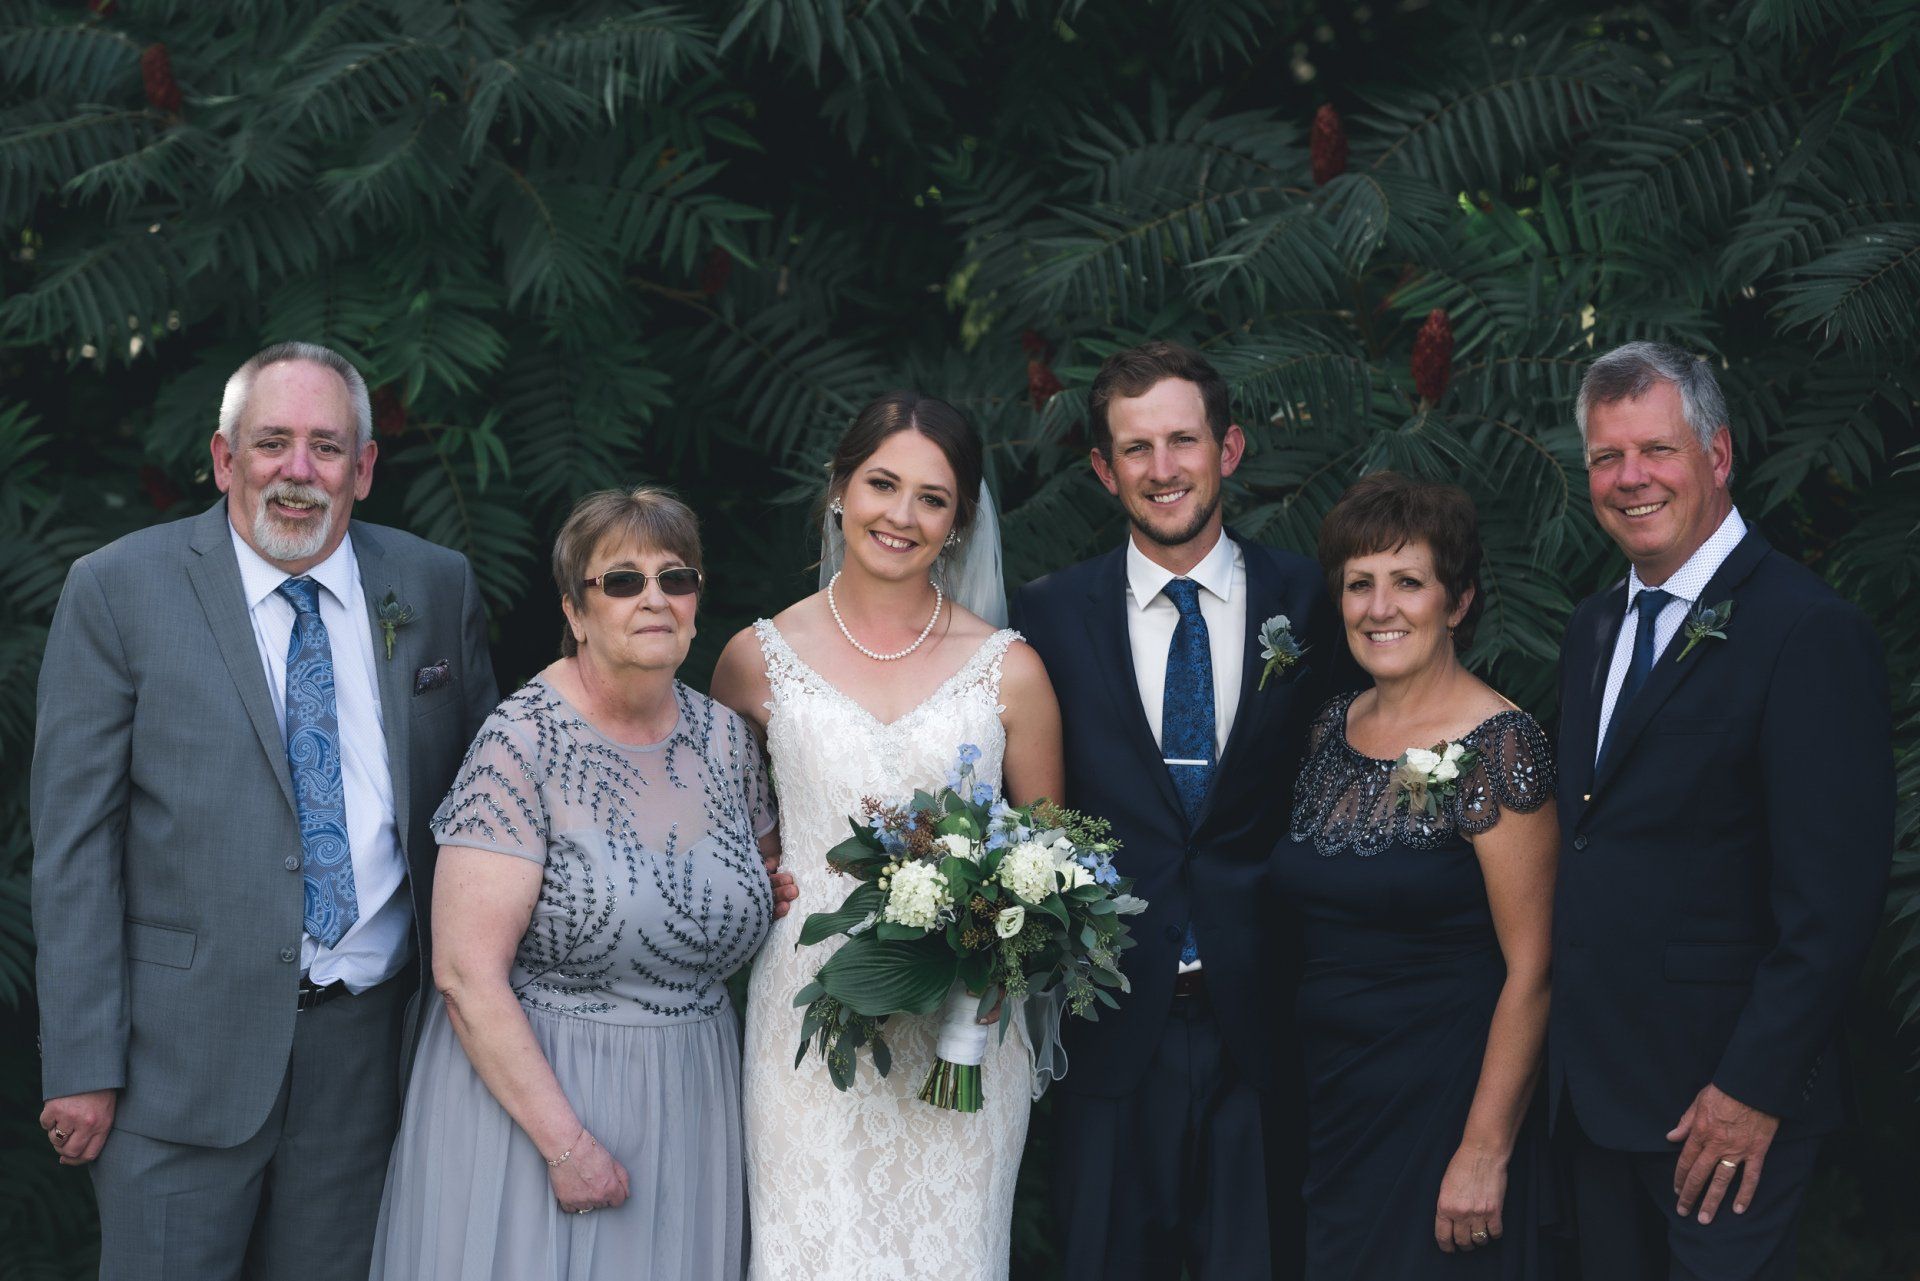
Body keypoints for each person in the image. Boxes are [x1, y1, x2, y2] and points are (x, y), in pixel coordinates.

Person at [30, 342, 498, 1280]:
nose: (298, 471)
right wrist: (83, 1059)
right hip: (175, 1060)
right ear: (222, 459)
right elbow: (76, 845)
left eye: (326, 447)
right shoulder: (119, 591)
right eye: (272, 442)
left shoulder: (432, 585)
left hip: (368, 1057)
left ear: (363, 468)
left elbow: (489, 810)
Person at [368, 486, 796, 1280]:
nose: (655, 599)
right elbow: (465, 974)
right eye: (623, 581)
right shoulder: (521, 741)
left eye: (677, 578)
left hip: (693, 1098)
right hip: (538, 1110)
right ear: (575, 610)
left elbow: (768, 886)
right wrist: (566, 1145)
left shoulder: (727, 741)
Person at [1551, 341, 1893, 1279]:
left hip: (1723, 1115)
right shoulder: (1591, 629)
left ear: (1717, 455)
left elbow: (1832, 902)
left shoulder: (1806, 631)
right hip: (1594, 1101)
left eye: (1655, 450)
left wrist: (1751, 1087)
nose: (1630, 480)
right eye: (1606, 459)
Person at [1010, 341, 1347, 1281]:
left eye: (1183, 441)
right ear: (1102, 467)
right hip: (1110, 1026)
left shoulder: (1314, 604)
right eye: (1137, 447)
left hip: (1268, 1021)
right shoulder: (1044, 616)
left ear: (1229, 448)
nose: (1164, 469)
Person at [712, 391, 1063, 1281]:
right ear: (839, 489)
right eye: (881, 484)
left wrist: (990, 928)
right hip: (806, 1021)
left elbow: (1052, 864)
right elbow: (720, 837)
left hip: (960, 1032)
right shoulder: (756, 658)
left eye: (932, 498)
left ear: (960, 522)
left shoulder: (1010, 669)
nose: (901, 516)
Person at [1275, 471, 1558, 1278]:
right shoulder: (1332, 723)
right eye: (1359, 584)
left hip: (1445, 1102)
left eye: (1408, 582)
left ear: (1457, 600)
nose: (1380, 606)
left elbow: (1534, 968)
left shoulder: (1500, 745)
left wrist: (1483, 1146)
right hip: (1335, 1102)